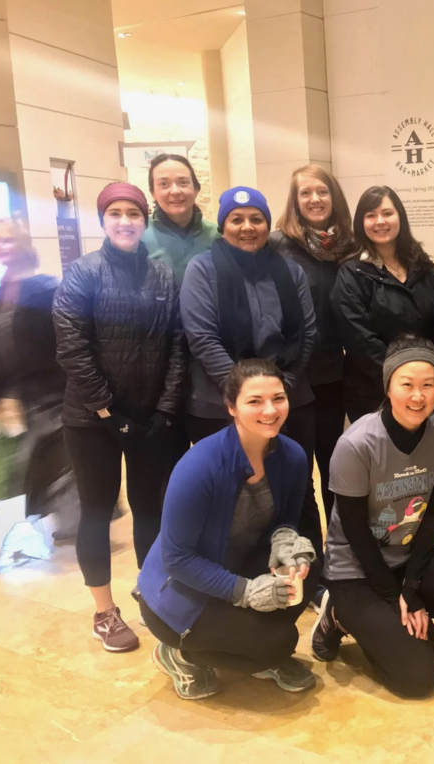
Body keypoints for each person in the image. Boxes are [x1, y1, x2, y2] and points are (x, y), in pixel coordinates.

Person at [310, 334, 434, 698]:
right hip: (356, 569)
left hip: (404, 556)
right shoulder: (356, 444)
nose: (418, 396)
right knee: (418, 680)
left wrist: (411, 589)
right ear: (388, 386)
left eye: (429, 385)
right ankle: (339, 615)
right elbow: (355, 532)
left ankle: (401, 625)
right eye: (406, 384)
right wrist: (395, 598)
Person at [52, 183, 186, 653]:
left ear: (145, 220)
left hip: (149, 416)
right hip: (92, 421)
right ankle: (104, 613)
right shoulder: (82, 273)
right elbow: (72, 349)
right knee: (96, 511)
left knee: (151, 508)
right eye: (116, 213)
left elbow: (177, 346)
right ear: (103, 220)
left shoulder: (163, 275)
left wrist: (165, 408)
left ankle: (150, 595)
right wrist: (108, 412)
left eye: (133, 212)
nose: (125, 220)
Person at [138, 359, 320, 699]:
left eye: (278, 398)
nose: (270, 410)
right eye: (255, 401)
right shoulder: (199, 467)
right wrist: (247, 592)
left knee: (307, 570)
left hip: (233, 562)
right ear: (231, 407)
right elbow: (177, 559)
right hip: (178, 592)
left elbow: (286, 520)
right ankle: (179, 653)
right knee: (277, 642)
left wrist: (285, 544)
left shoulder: (292, 455)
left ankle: (252, 644)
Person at [180, 185, 321, 552]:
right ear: (223, 225)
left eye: (256, 219)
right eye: (236, 219)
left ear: (267, 223)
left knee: (298, 485)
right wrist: (247, 395)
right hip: (221, 401)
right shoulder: (202, 269)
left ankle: (313, 569)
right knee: (234, 492)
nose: (247, 227)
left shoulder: (289, 271)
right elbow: (202, 337)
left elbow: (307, 333)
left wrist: (278, 390)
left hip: (290, 395)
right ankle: (235, 573)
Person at [270, 164, 356, 520]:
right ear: (294, 201)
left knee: (336, 469)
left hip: (335, 374)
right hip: (292, 376)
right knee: (297, 470)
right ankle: (308, 556)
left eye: (321, 191)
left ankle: (340, 551)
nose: (314, 199)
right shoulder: (277, 246)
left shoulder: (349, 246)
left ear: (334, 197)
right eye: (305, 193)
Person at [334, 187, 434, 422]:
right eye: (371, 215)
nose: (380, 221)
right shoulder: (351, 272)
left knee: (419, 456)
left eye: (387, 213)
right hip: (372, 390)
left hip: (423, 389)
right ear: (361, 222)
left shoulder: (421, 264)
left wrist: (433, 373)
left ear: (400, 217)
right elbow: (359, 339)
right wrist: (400, 379)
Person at [0, 217, 75, 538]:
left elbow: (65, 340)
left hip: (53, 389)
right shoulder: (1, 291)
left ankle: (77, 524)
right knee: (38, 458)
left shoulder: (46, 288)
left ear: (24, 245)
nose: (0, 246)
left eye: (7, 240)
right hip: (22, 392)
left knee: (62, 456)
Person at [142, 153, 219, 286]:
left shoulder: (216, 235)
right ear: (153, 193)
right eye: (164, 184)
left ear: (196, 189)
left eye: (183, 182)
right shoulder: (139, 235)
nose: (175, 191)